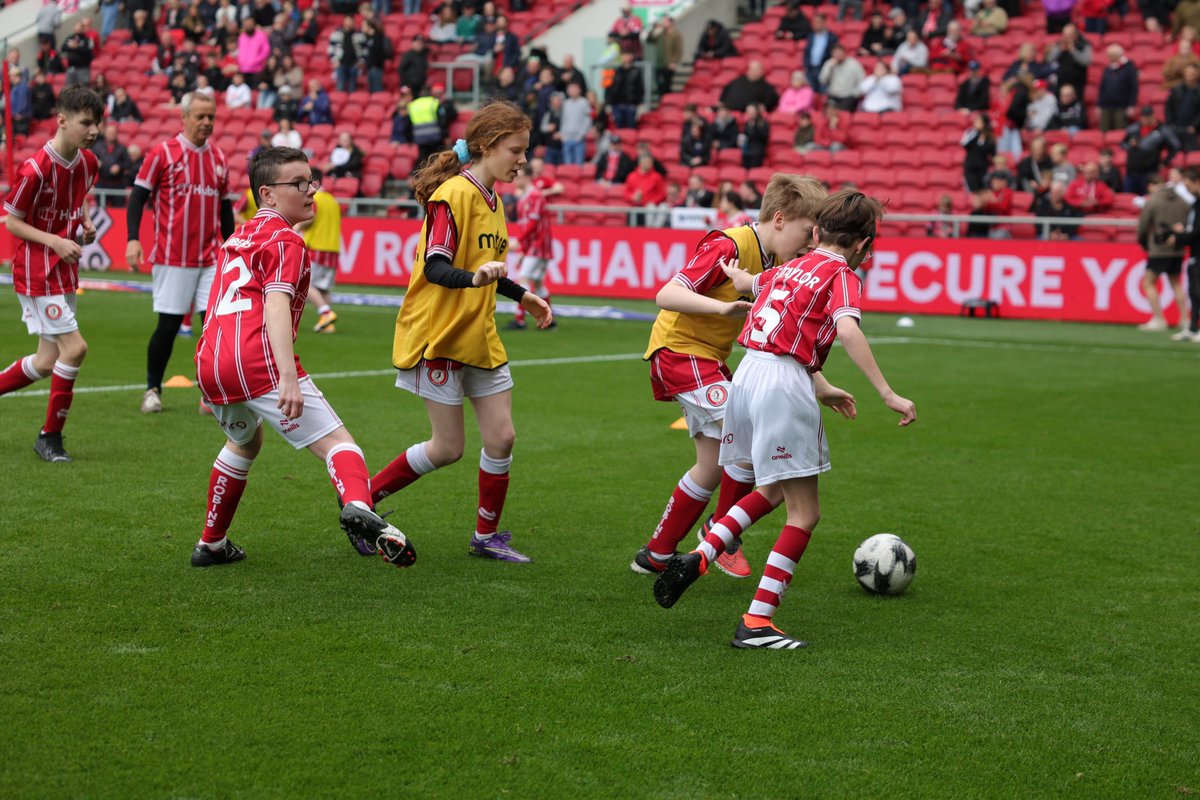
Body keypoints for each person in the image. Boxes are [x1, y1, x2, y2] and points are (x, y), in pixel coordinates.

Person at [652, 190, 916, 649]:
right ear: (864, 247)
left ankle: (700, 554)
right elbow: (848, 328)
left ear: (816, 233)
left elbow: (747, 284)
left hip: (747, 376)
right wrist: (886, 392)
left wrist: (737, 275)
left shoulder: (785, 268)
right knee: (805, 511)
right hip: (783, 383)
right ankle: (757, 622)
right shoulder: (843, 274)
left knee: (771, 489)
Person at [191, 146, 414, 568]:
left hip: (211, 363)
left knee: (245, 441)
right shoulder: (286, 239)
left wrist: (213, 376)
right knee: (339, 445)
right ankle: (359, 510)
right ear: (268, 195)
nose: (311, 189)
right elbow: (275, 305)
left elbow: (218, 301)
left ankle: (211, 544)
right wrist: (287, 377)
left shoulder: (236, 236)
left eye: (311, 180)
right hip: (258, 362)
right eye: (298, 183)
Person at [369, 102, 553, 563]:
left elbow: (484, 266)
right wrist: (475, 280)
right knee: (448, 447)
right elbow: (437, 268)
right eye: (516, 150)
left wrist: (522, 295)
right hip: (441, 335)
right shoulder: (453, 195)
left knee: (503, 438)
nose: (523, 160)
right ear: (487, 146)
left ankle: (485, 538)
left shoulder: (494, 198)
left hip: (478, 334)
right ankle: (362, 502)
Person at [632, 175, 830, 581]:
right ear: (779, 219)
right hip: (679, 352)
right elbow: (666, 294)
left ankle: (655, 553)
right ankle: (720, 535)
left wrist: (819, 382)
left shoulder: (776, 261)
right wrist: (721, 310)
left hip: (708, 360)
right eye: (804, 235)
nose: (809, 246)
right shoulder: (730, 244)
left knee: (711, 463)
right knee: (750, 438)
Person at [0, 87, 102, 463]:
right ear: (61, 120)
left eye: (97, 123)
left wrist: (86, 222)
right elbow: (12, 222)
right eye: (85, 123)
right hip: (37, 272)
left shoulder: (89, 163)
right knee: (74, 349)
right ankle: (50, 437)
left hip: (62, 271)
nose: (93, 130)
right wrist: (57, 242)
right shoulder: (36, 168)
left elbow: (80, 196)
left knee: (46, 362)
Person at [128, 93, 234, 414]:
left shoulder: (218, 158)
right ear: (184, 117)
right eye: (200, 116)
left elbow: (225, 209)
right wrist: (133, 238)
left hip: (210, 258)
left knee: (213, 325)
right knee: (169, 326)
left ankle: (210, 392)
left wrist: (232, 248)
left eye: (211, 117)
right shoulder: (163, 153)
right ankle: (152, 389)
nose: (206, 123)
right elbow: (137, 198)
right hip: (172, 257)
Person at [1137, 173, 1191, 332]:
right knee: (1176, 284)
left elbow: (1143, 226)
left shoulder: (1152, 201)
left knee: (1148, 283)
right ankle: (1185, 319)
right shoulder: (1182, 201)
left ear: (1150, 186)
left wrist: (1144, 243)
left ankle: (1159, 319)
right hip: (1177, 248)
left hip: (1158, 248)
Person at [507, 171, 555, 331]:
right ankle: (550, 319)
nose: (515, 180)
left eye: (519, 176)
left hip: (539, 245)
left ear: (528, 177)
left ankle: (519, 320)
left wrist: (518, 242)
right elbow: (526, 226)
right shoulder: (522, 200)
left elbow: (533, 225)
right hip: (533, 246)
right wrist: (522, 249)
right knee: (538, 282)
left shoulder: (536, 196)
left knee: (524, 279)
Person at [1170, 166, 1200, 340]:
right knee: (1194, 293)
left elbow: (1197, 231)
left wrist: (1181, 237)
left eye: (1188, 185)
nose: (1187, 189)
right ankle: (1192, 328)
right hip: (1194, 253)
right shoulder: (1195, 203)